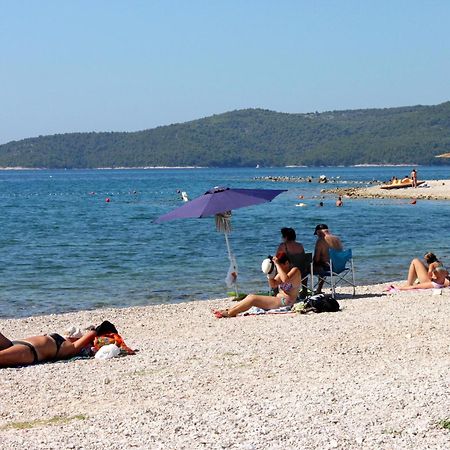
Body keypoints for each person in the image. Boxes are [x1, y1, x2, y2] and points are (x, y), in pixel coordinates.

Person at [214, 252, 301, 318]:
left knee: (252, 299)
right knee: (249, 297)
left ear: (287, 263)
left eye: (281, 266)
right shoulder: (283, 273)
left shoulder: (295, 270)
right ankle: (230, 310)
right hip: (278, 299)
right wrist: (269, 274)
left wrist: (277, 264)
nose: (279, 268)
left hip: (286, 302)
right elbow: (273, 285)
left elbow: (285, 280)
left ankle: (230, 313)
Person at [0, 320, 118, 368]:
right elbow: (92, 333)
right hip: (28, 349)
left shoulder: (66, 345)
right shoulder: (68, 348)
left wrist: (96, 333)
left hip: (21, 345)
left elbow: (92, 333)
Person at [313, 224, 343, 294]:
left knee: (315, 265)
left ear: (318, 232)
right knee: (322, 263)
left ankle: (305, 291)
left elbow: (316, 259)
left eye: (316, 234)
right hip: (339, 267)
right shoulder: (337, 238)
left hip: (329, 268)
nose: (317, 236)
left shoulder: (320, 240)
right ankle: (318, 289)